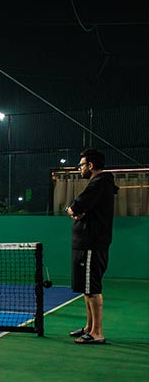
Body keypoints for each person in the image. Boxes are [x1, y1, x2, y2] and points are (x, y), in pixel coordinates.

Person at [66, 148, 118, 345]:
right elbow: (76, 207)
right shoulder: (97, 185)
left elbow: (76, 206)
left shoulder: (100, 183)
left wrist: (74, 209)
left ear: (91, 166)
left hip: (91, 244)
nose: (80, 169)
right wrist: (75, 209)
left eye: (81, 165)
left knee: (92, 288)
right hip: (84, 244)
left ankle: (97, 332)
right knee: (86, 288)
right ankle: (89, 327)